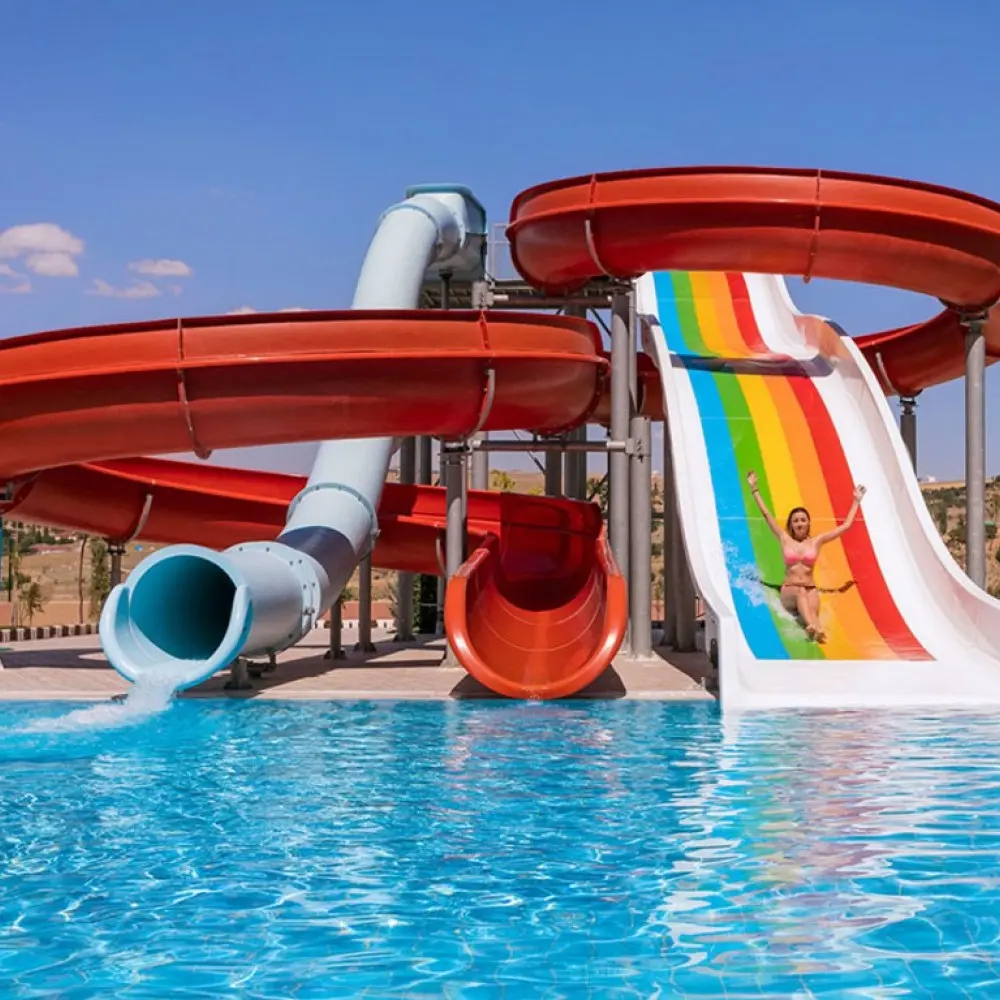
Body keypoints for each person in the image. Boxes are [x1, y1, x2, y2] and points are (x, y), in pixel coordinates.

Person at [745, 471, 866, 642]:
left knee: (812, 610)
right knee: (801, 593)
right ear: (791, 524)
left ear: (808, 523)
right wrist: (754, 489)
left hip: (811, 589)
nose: (799, 523)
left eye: (803, 520)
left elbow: (845, 526)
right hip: (790, 590)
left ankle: (816, 630)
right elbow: (766, 515)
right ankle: (812, 626)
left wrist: (856, 501)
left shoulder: (817, 541)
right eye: (795, 521)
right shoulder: (784, 538)